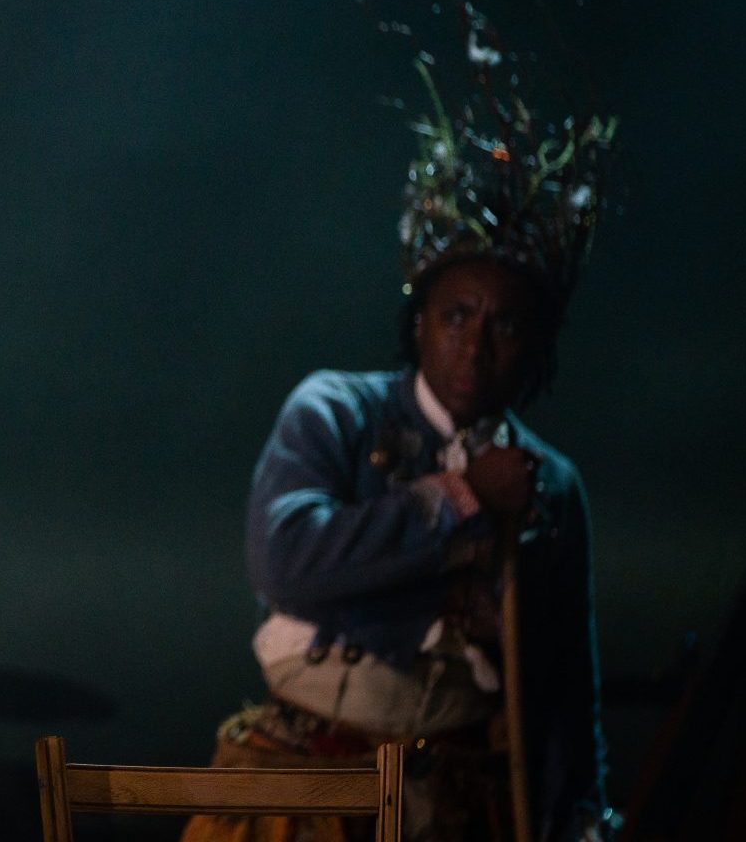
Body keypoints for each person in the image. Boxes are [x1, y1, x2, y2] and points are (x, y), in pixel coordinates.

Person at [183, 58, 617, 842]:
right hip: (311, 795)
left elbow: (563, 692)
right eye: (457, 317)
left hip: (456, 810)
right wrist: (461, 500)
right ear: (419, 323)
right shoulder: (335, 409)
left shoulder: (552, 482)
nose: (476, 346)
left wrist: (576, 821)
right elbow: (284, 561)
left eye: (505, 326)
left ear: (537, 351)